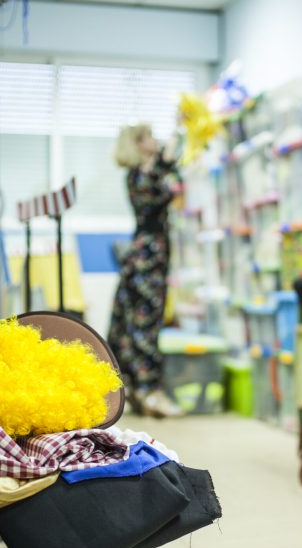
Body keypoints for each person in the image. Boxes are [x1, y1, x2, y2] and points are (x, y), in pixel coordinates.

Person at [108, 123, 183, 417]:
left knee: (134, 326)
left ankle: (140, 390)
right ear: (138, 144)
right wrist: (168, 155)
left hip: (146, 255)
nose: (155, 140)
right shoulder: (143, 175)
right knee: (145, 327)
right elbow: (165, 186)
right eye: (149, 136)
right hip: (148, 257)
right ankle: (149, 391)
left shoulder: (143, 174)